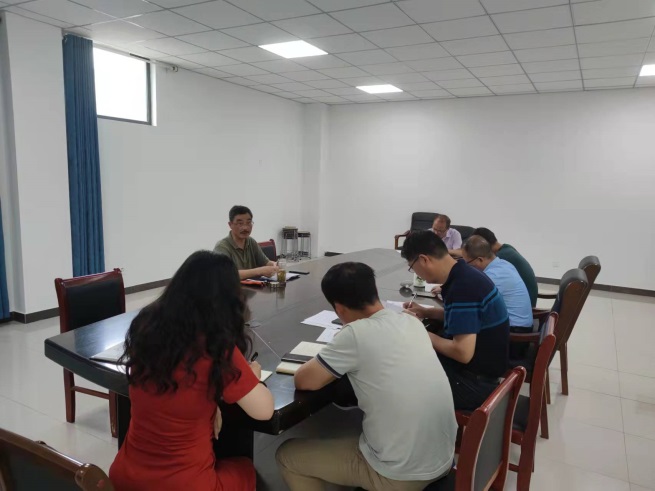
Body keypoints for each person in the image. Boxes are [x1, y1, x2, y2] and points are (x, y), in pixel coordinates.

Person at [276, 262, 456, 491]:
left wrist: (340, 343)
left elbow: (304, 380)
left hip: (400, 474)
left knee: (287, 456)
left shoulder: (355, 334)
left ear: (339, 309)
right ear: (374, 292)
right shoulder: (411, 321)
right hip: (443, 458)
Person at [109, 251, 274, 491]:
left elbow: (179, 392)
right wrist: (253, 376)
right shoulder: (215, 345)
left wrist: (212, 404)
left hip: (125, 477)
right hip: (186, 484)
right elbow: (264, 411)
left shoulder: (145, 330)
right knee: (246, 469)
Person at [401, 231, 510, 410]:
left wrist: (418, 329)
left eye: (412, 267)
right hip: (482, 373)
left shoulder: (463, 287)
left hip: (473, 384)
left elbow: (462, 353)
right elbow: (465, 319)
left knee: (399, 375)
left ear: (423, 259)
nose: (415, 272)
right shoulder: (464, 273)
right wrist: (426, 312)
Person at [462, 236, 533, 331]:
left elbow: (470, 301)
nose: (466, 267)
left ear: (480, 260)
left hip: (515, 330)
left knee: (461, 322)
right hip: (520, 324)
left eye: (467, 263)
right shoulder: (504, 263)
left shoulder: (493, 275)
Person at [470, 227, 538, 307]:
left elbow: (481, 281)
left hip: (525, 304)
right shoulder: (507, 249)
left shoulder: (500, 257)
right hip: (526, 300)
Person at [214, 205, 278, 280]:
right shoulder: (222, 247)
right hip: (232, 287)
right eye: (240, 223)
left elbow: (266, 262)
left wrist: (275, 265)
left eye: (248, 223)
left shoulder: (251, 241)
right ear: (230, 225)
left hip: (253, 286)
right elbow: (226, 274)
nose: (245, 228)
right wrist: (259, 271)